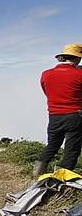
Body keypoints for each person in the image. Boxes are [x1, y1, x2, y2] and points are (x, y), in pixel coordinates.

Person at [33, 44, 82, 177]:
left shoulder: (46, 74)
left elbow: (47, 92)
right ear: (78, 58)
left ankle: (37, 175)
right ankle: (59, 179)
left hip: (54, 116)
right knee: (71, 150)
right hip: (75, 116)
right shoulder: (79, 74)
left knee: (52, 146)